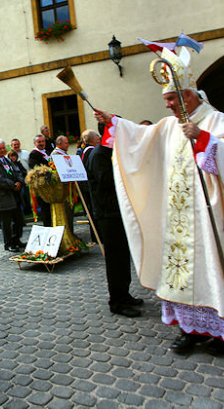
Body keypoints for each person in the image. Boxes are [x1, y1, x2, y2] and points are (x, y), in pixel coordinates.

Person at [94, 52, 224, 355]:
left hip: (210, 218)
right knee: (181, 273)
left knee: (214, 271)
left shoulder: (216, 120)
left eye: (172, 98)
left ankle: (223, 333)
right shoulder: (170, 125)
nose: (168, 105)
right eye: (166, 99)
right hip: (177, 219)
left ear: (189, 95)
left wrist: (204, 139)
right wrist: (116, 123)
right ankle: (190, 329)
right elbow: (143, 139)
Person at [84, 126, 143, 318]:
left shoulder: (111, 152)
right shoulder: (100, 154)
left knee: (123, 257)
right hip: (107, 215)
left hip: (118, 214)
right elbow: (108, 182)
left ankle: (124, 294)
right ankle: (116, 301)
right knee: (115, 260)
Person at [0, 139, 25, 252]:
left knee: (18, 220)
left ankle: (16, 239)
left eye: (3, 148)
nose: (2, 150)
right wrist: (13, 185)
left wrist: (20, 182)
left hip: (15, 195)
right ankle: (8, 243)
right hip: (3, 197)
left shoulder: (7, 161)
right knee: (7, 222)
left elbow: (17, 172)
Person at [79, 130, 99, 244]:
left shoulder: (86, 151)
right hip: (90, 187)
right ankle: (96, 236)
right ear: (91, 140)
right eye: (97, 138)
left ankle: (96, 236)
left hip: (87, 186)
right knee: (93, 211)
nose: (99, 139)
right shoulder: (91, 151)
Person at [28, 134, 52, 227]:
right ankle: (48, 228)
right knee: (45, 209)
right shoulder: (34, 154)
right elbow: (36, 168)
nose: (42, 143)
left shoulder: (48, 152)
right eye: (39, 142)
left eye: (43, 141)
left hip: (51, 185)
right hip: (42, 185)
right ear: (35, 143)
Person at [10, 139, 32, 215]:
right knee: (20, 197)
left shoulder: (26, 153)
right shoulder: (8, 156)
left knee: (30, 196)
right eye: (14, 144)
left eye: (17, 144)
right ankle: (22, 213)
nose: (16, 146)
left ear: (20, 144)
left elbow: (30, 164)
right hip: (17, 181)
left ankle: (32, 211)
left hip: (28, 178)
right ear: (11, 146)